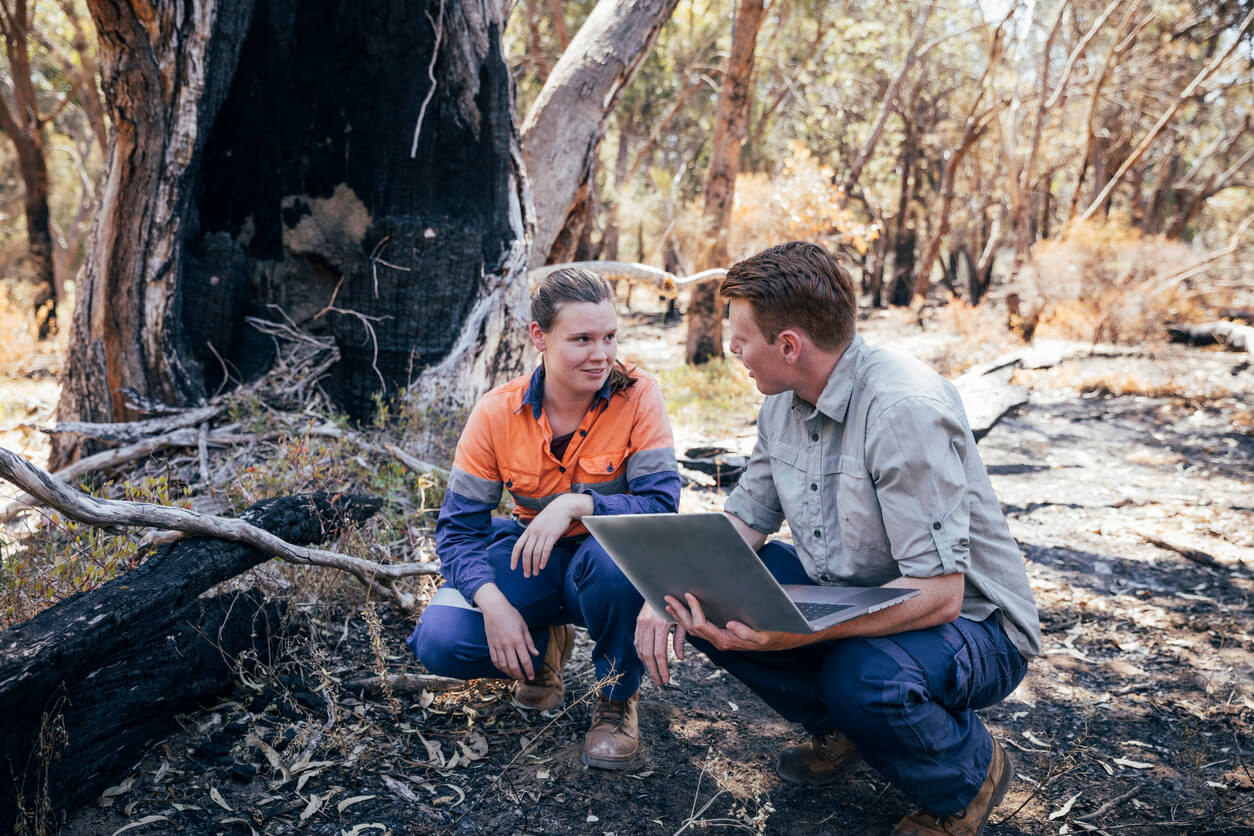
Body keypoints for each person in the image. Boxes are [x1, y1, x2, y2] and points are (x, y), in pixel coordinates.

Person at [635, 242, 1041, 835]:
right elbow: (746, 521)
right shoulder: (782, 402)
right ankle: (848, 731)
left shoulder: (902, 410)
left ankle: (968, 776)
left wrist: (794, 631)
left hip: (975, 629)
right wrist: (666, 591)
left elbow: (941, 595)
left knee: (864, 676)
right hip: (854, 598)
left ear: (790, 346)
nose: (732, 349)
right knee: (711, 597)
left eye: (742, 338)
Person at [409, 267, 680, 770]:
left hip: (604, 568)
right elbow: (458, 529)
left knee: (617, 559)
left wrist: (578, 503)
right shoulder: (496, 412)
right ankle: (541, 652)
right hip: (532, 560)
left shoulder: (639, 395)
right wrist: (492, 603)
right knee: (440, 639)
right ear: (540, 336)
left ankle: (616, 697)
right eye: (582, 339)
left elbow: (661, 505)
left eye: (609, 337)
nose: (601, 355)